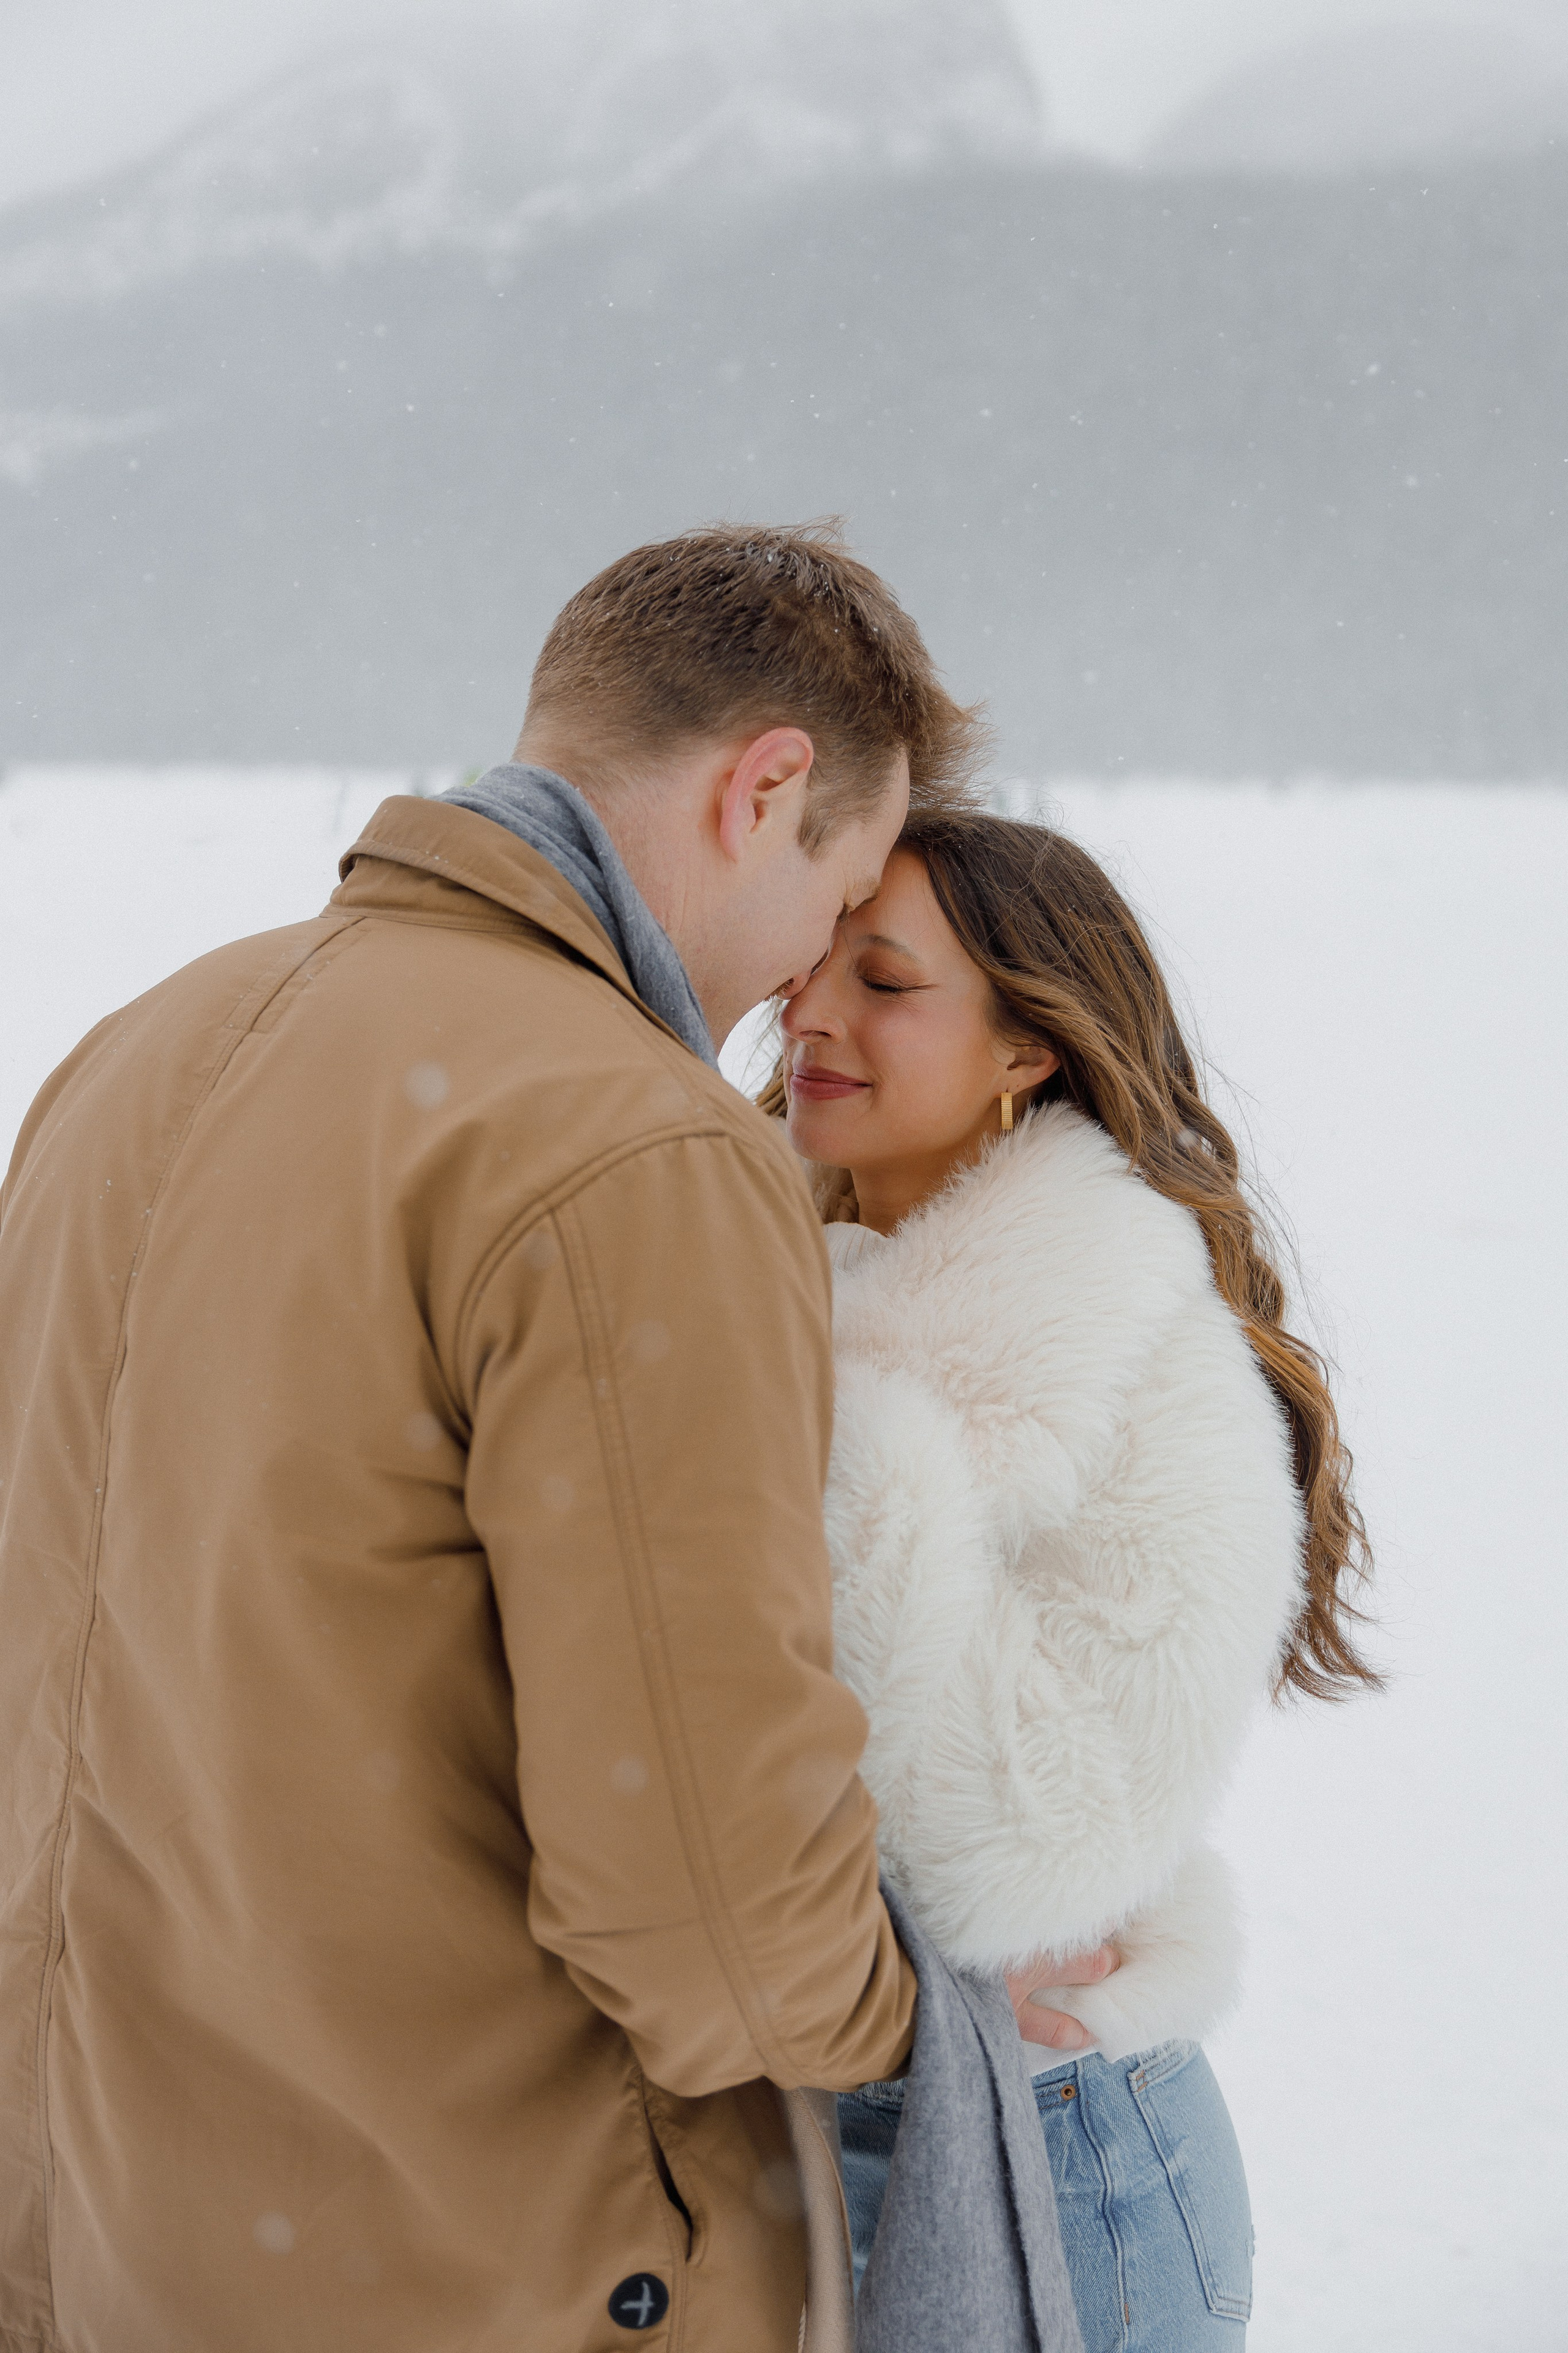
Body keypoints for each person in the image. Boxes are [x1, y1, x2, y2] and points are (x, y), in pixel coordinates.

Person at [0, 527, 1100, 2353]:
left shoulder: (128, 1058)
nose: (798, 988)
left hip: (113, 2233)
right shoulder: (639, 1151)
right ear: (766, 790)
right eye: (831, 909)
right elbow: (709, 1899)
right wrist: (930, 2024)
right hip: (478, 2269)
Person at [770, 808, 1380, 2351]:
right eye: (809, 964)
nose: (810, 1012)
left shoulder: (1092, 1337)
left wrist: (840, 1434)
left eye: (884, 981)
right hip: (897, 2126)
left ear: (1023, 1052)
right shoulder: (846, 1288)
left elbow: (1017, 1848)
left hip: (1051, 2154)